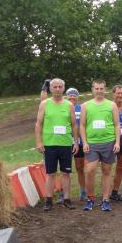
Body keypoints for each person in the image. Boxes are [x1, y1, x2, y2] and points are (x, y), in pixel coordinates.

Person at [34, 78, 77, 211]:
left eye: (60, 87)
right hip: (49, 144)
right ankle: (49, 200)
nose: (58, 89)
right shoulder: (44, 104)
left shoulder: (69, 105)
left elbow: (74, 125)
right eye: (55, 87)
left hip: (66, 144)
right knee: (50, 173)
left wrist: (75, 142)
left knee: (66, 173)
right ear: (51, 89)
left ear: (63, 89)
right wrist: (39, 141)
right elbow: (38, 124)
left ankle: (67, 199)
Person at [79, 79, 120, 212]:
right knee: (90, 170)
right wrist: (84, 142)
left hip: (108, 142)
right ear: (92, 89)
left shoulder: (112, 105)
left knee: (106, 171)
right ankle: (90, 198)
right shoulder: (85, 105)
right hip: (92, 143)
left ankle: (105, 200)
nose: (99, 91)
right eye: (96, 88)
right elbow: (82, 125)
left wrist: (117, 142)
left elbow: (117, 124)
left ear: (105, 89)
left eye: (101, 88)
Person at [66, 87, 88, 201]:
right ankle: (63, 193)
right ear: (66, 97)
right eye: (70, 95)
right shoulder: (63, 108)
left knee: (80, 167)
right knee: (65, 170)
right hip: (66, 142)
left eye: (74, 95)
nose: (72, 97)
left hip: (80, 142)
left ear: (77, 97)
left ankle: (83, 190)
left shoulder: (82, 108)